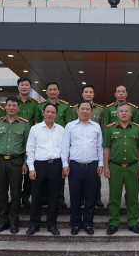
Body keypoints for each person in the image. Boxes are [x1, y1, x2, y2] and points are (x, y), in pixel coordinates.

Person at [61, 101, 104, 235]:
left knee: (90, 197)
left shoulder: (96, 126)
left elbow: (99, 147)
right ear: (77, 110)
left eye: (87, 109)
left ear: (91, 112)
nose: (84, 111)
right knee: (75, 197)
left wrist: (101, 163)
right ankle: (75, 224)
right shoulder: (70, 126)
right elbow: (64, 147)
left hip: (92, 166)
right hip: (75, 166)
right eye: (82, 109)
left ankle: (88, 224)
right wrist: (65, 165)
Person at [103, 103, 139, 235]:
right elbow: (106, 148)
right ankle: (113, 222)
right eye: (121, 111)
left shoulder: (137, 129)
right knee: (114, 197)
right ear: (117, 114)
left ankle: (133, 222)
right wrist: (106, 166)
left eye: (126, 111)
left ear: (131, 114)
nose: (124, 113)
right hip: (115, 167)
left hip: (132, 167)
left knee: (133, 197)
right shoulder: (110, 129)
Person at [0, 96, 30, 234]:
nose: (11, 108)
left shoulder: (24, 124)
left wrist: (25, 162)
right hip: (0, 161)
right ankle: (3, 220)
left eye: (14, 105)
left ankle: (14, 221)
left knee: (16, 192)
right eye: (9, 105)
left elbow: (27, 146)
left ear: (18, 108)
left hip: (16, 162)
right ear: (5, 107)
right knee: (1, 192)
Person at [26, 103, 66, 236]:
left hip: (56, 165)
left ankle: (52, 224)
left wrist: (65, 165)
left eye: (52, 112)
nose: (50, 114)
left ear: (56, 114)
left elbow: (64, 150)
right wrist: (31, 168)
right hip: (39, 165)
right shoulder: (35, 129)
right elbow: (30, 149)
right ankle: (34, 224)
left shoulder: (61, 129)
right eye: (47, 111)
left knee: (53, 197)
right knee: (36, 196)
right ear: (43, 113)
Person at [35, 82, 71, 208]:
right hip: (44, 140)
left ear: (58, 91)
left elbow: (68, 126)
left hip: (59, 140)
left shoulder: (65, 106)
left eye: (54, 89)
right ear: (46, 91)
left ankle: (60, 197)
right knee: (42, 176)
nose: (52, 92)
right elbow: (36, 122)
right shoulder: (39, 105)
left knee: (59, 173)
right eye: (50, 89)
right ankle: (44, 198)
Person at [70, 84, 105, 208]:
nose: (88, 94)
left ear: (94, 94)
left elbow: (103, 127)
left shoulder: (100, 109)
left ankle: (97, 198)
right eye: (86, 92)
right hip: (79, 148)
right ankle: (82, 199)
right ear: (82, 94)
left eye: (91, 92)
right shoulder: (75, 109)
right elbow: (74, 124)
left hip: (94, 146)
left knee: (96, 177)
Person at [16, 77, 41, 207]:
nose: (24, 87)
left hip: (30, 141)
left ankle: (26, 195)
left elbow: (36, 122)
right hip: (14, 140)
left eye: (27, 85)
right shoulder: (13, 102)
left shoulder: (36, 104)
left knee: (29, 166)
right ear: (18, 87)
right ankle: (15, 195)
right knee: (15, 169)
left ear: (30, 87)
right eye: (22, 85)